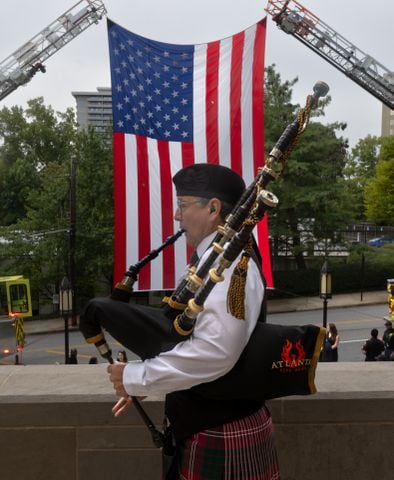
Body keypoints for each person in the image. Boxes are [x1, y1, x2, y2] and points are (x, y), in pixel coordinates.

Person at [105, 164, 280, 479]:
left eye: (183, 205)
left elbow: (215, 352)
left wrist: (139, 376)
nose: (176, 215)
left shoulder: (228, 264)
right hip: (211, 425)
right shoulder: (217, 257)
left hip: (222, 430)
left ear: (213, 209)